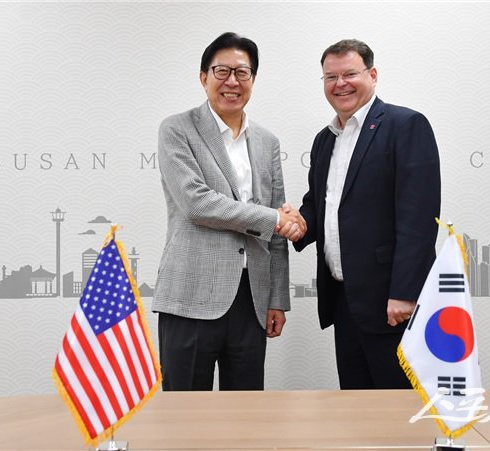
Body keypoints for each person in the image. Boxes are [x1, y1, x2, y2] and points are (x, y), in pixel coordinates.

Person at [153, 32, 305, 391]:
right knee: (185, 411)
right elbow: (197, 203)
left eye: (242, 72)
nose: (232, 81)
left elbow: (277, 228)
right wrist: (274, 219)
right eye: (222, 71)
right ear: (203, 77)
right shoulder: (177, 129)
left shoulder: (267, 141)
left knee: (247, 411)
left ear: (253, 79)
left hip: (251, 299)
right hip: (191, 297)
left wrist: (277, 299)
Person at [290, 39, 441, 389]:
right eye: (331, 77)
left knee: (399, 406)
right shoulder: (325, 139)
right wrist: (298, 223)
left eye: (350, 74)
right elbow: (320, 204)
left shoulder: (405, 125)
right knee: (356, 405)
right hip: (345, 301)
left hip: (391, 302)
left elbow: (418, 218)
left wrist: (405, 293)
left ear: (372, 75)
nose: (340, 84)